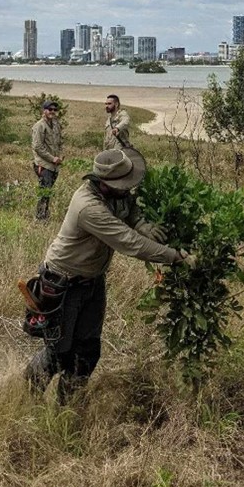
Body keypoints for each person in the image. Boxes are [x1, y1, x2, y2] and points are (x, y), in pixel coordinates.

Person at [24, 146, 194, 402]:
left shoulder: (116, 194)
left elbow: (130, 207)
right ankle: (27, 398)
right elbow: (129, 243)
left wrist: (141, 224)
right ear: (104, 183)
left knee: (88, 350)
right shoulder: (88, 207)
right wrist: (175, 257)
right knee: (59, 351)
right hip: (61, 283)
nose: (128, 188)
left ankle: (68, 407)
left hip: (92, 281)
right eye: (123, 184)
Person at [32, 100, 63, 221]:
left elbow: (59, 142)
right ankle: (40, 218)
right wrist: (52, 158)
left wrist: (60, 155)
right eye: (50, 109)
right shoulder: (39, 126)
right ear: (44, 111)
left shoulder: (56, 125)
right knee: (44, 191)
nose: (53, 112)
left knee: (48, 191)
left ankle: (45, 214)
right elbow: (37, 147)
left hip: (54, 165)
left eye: (55, 110)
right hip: (44, 165)